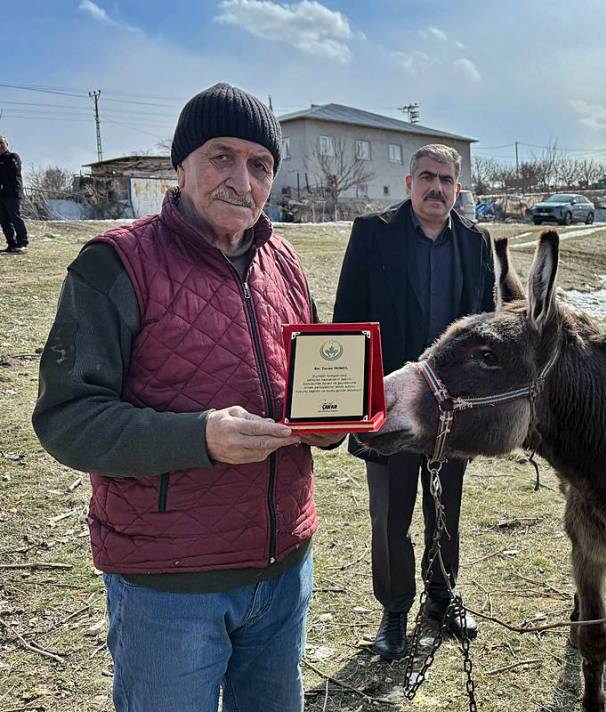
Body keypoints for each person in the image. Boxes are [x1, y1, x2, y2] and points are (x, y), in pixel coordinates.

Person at [33, 83, 340, 712]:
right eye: (221, 156)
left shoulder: (284, 262)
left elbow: (310, 392)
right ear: (181, 165)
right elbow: (68, 419)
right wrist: (198, 437)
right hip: (169, 585)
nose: (242, 180)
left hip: (283, 571)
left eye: (260, 165)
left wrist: (336, 421)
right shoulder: (115, 264)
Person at [334, 143, 496, 659]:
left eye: (447, 180)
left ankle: (443, 597)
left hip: (452, 411)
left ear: (457, 187)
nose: (437, 188)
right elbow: (347, 322)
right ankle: (394, 609)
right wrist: (354, 405)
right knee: (392, 514)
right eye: (427, 177)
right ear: (408, 182)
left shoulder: (475, 241)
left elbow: (486, 332)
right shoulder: (372, 234)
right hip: (389, 406)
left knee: (445, 507)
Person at [0, 136, 29, 253]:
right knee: (3, 220)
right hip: (1, 195)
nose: (0, 146)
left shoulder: (13, 157)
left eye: (2, 143)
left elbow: (13, 171)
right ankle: (11, 244)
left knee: (15, 218)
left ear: (6, 144)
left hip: (12, 193)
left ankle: (22, 243)